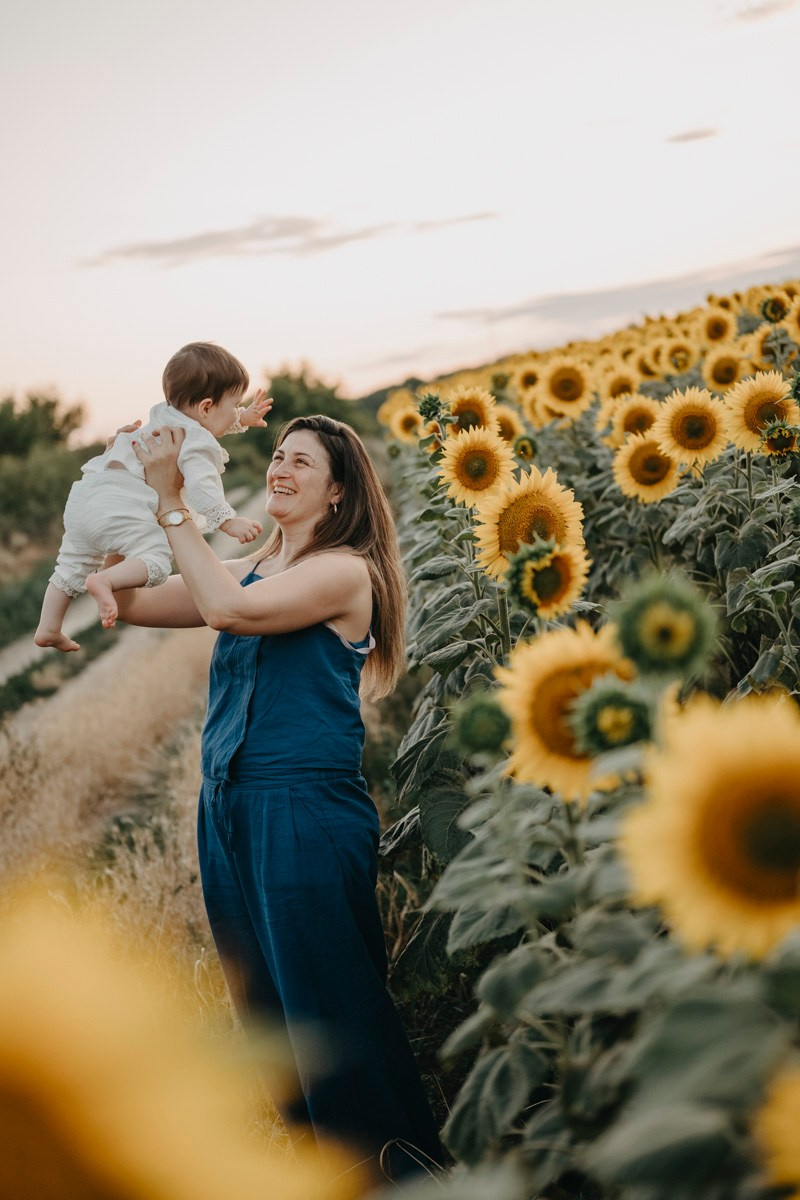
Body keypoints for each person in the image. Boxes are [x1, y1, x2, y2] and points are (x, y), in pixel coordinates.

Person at [112, 412, 445, 1185]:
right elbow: (144, 605)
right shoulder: (258, 563)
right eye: (277, 455)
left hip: (300, 811)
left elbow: (227, 611)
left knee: (330, 1016)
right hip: (228, 808)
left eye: (302, 462)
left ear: (336, 493)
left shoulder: (344, 571)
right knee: (269, 1022)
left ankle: (400, 1175)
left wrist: (174, 502)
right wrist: (121, 491)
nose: (281, 469)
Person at [34, 342, 271, 652]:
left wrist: (241, 417)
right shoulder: (197, 442)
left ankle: (48, 627)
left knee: (70, 566)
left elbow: (211, 417)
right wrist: (227, 520)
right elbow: (202, 487)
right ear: (207, 407)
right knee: (156, 559)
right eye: (235, 403)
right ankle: (105, 581)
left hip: (87, 496)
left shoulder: (163, 414)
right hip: (123, 509)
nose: (236, 410)